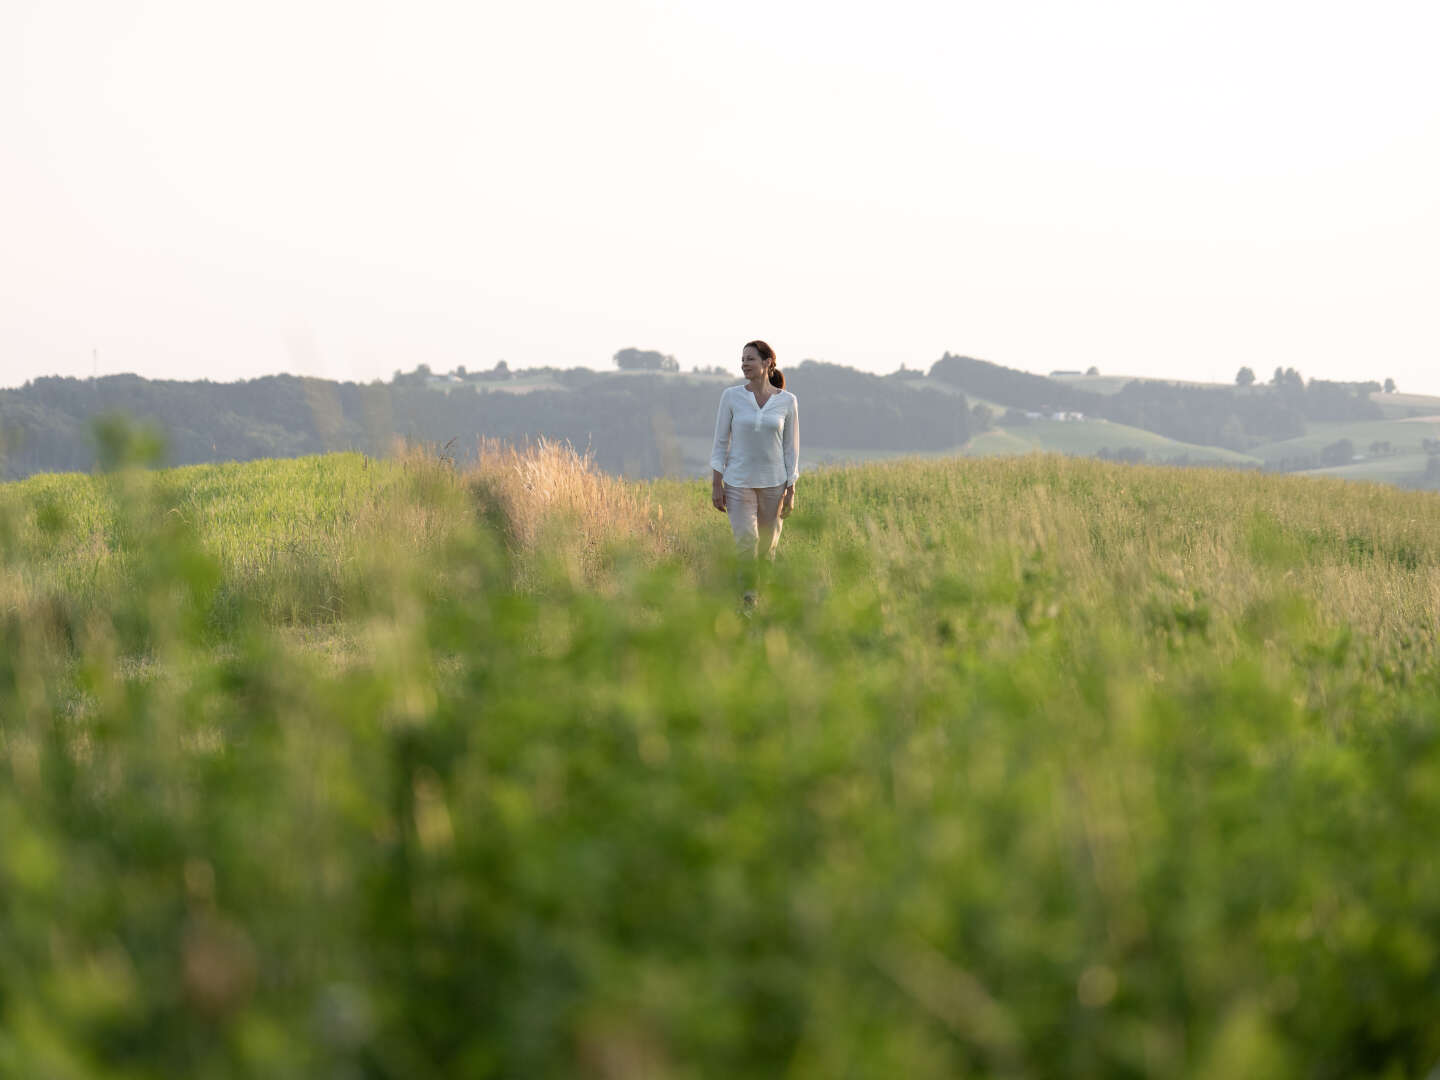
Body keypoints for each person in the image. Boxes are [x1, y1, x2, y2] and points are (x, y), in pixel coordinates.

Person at [709, 340, 799, 606]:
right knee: (747, 542)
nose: (744, 364)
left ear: (767, 363)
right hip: (738, 482)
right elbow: (720, 442)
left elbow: (791, 449)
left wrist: (791, 489)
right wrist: (717, 483)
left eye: (750, 359)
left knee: (767, 548)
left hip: (774, 484)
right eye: (742, 359)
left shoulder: (788, 402)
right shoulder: (732, 396)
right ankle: (749, 602)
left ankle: (766, 601)